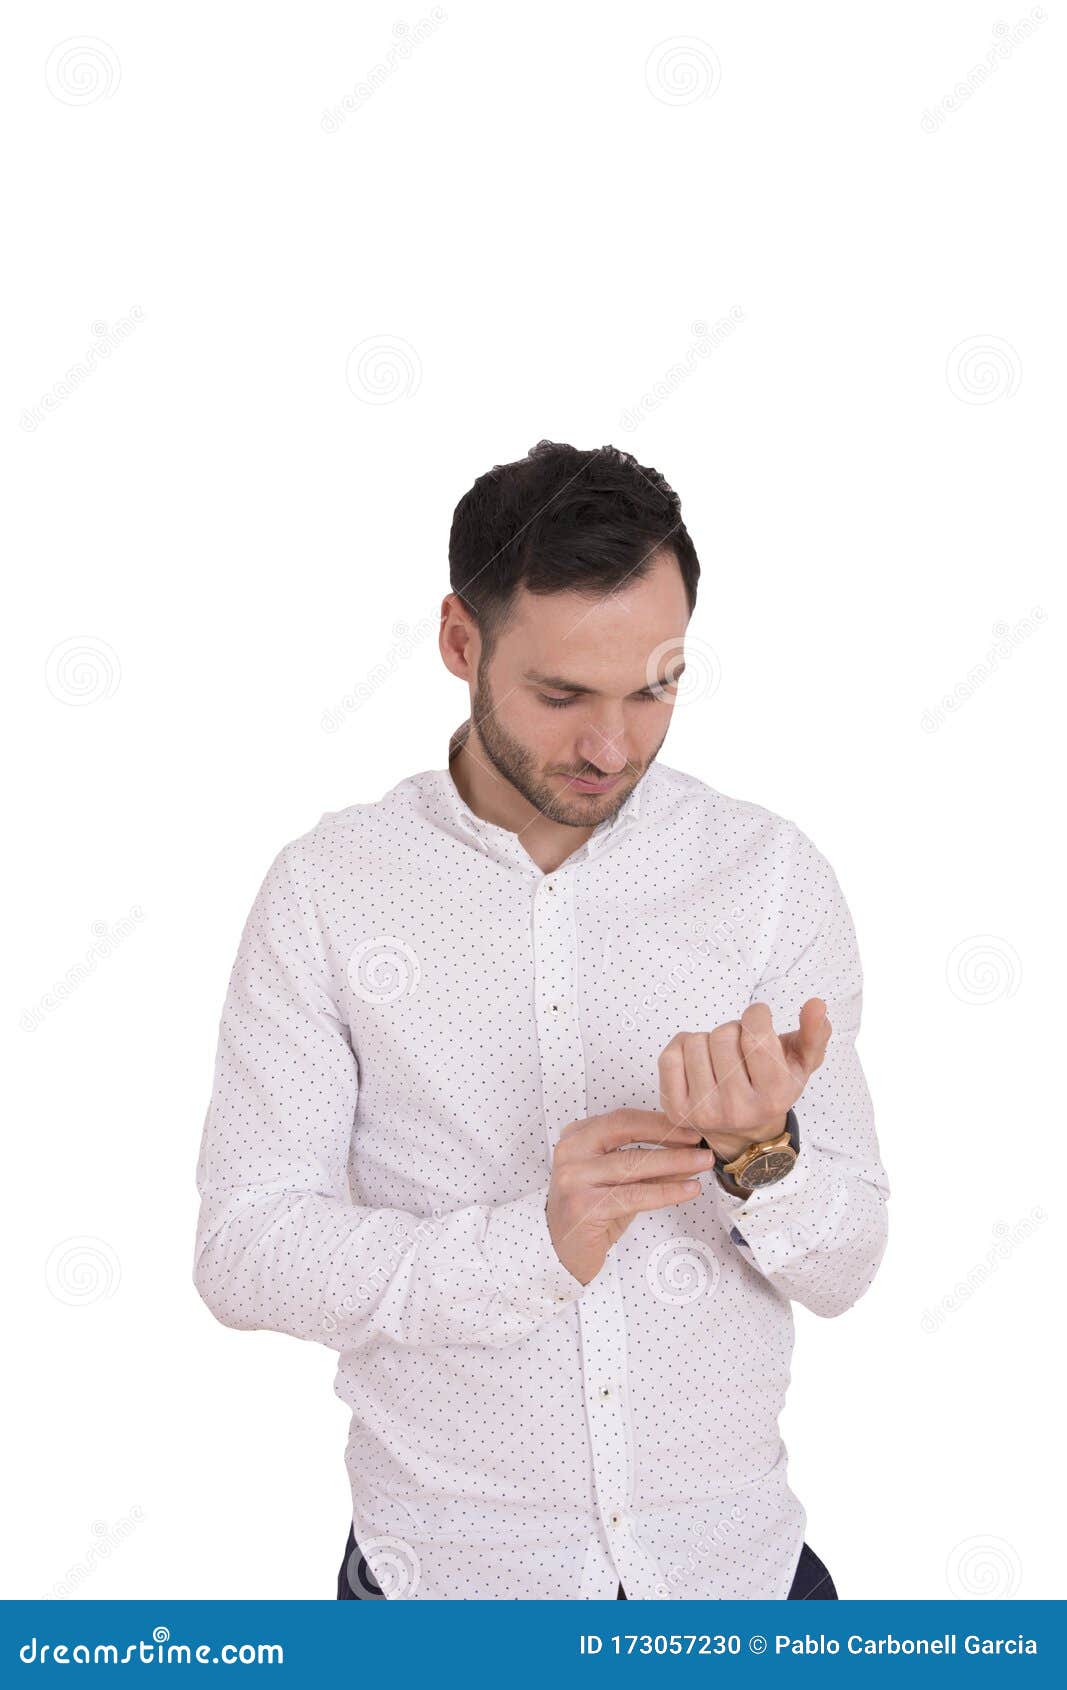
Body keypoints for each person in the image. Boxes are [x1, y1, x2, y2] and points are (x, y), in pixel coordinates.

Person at [193, 440, 889, 1600]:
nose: (611, 745)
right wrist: (526, 1247)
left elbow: (849, 1258)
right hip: (446, 1598)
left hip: (735, 1584)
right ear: (461, 643)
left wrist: (758, 1158)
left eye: (653, 688)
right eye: (563, 695)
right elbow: (244, 1250)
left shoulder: (765, 874)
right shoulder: (327, 891)